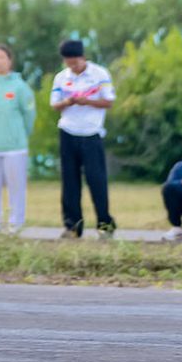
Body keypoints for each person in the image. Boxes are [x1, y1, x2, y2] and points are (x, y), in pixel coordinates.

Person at [51, 38, 116, 237]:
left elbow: (109, 101)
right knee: (69, 181)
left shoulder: (99, 74)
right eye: (68, 63)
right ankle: (72, 226)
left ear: (83, 57)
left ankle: (104, 224)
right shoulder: (61, 77)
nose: (73, 66)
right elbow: (54, 104)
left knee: (96, 181)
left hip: (91, 133)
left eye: (76, 62)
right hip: (68, 131)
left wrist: (86, 101)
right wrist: (68, 102)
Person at [0, 44, 35, 234]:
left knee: (16, 188)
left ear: (10, 61)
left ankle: (15, 225)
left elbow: (29, 116)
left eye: (1, 57)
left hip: (15, 147)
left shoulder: (20, 87)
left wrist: (18, 134)